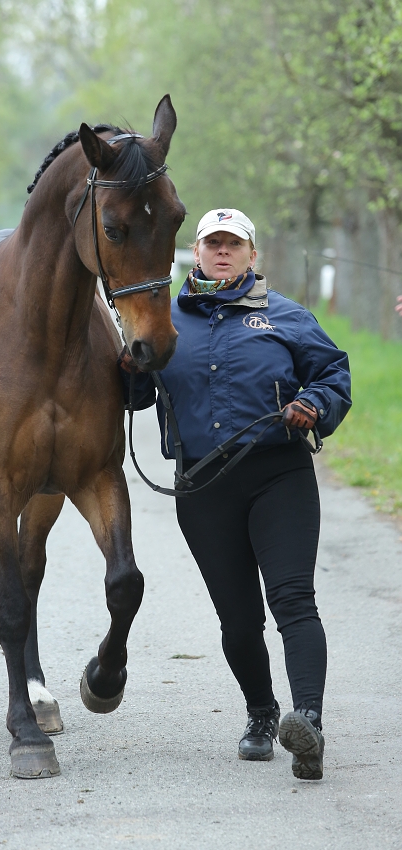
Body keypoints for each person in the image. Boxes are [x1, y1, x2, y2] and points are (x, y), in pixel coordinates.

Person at [119, 208, 351, 780]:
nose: (223, 251)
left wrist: (314, 406)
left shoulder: (288, 317)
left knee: (293, 599)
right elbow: (136, 398)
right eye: (212, 243)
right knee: (239, 621)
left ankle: (309, 723)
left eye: (234, 243)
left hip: (280, 475)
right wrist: (128, 366)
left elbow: (333, 375)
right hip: (203, 487)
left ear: (253, 254)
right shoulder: (164, 322)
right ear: (194, 253)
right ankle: (262, 713)